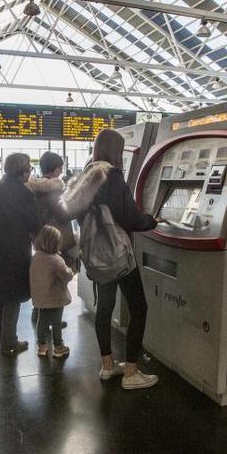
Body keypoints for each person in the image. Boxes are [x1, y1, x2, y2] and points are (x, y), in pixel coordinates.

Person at [62, 129, 161, 390]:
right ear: (116, 152)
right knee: (139, 308)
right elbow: (131, 218)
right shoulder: (114, 178)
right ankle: (131, 372)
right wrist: (152, 220)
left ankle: (107, 366)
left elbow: (75, 213)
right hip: (118, 256)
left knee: (103, 308)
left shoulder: (86, 177)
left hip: (95, 255)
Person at [0, 153, 42, 355]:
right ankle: (9, 342)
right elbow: (35, 223)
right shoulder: (26, 194)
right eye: (29, 170)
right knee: (12, 297)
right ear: (23, 172)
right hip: (16, 250)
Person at [26, 152, 75, 330]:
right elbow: (63, 214)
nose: (62, 170)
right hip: (56, 238)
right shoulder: (53, 189)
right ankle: (50, 319)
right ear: (54, 169)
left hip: (41, 238)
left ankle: (39, 314)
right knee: (58, 279)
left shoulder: (36, 187)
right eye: (60, 167)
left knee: (45, 277)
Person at [30, 225, 74, 358]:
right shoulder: (56, 260)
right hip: (55, 297)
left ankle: (42, 346)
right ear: (56, 243)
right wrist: (71, 271)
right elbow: (66, 276)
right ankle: (59, 346)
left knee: (41, 321)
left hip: (40, 297)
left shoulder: (35, 257)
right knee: (56, 322)